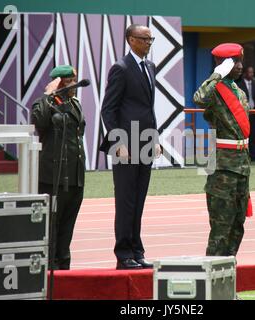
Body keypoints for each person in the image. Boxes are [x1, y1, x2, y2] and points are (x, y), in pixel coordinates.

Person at [99, 24, 161, 270]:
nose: (148, 43)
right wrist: (118, 142)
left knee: (139, 199)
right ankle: (123, 253)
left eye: (150, 39)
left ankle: (137, 250)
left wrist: (154, 139)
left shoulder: (150, 67)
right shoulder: (121, 68)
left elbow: (148, 108)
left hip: (144, 141)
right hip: (125, 145)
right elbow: (108, 109)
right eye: (144, 39)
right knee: (125, 200)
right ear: (130, 40)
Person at [193, 43, 252, 257]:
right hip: (223, 169)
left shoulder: (239, 92)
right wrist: (216, 75)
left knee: (237, 226)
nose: (240, 66)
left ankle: (227, 283)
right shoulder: (215, 90)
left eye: (239, 61)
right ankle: (211, 284)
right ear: (223, 64)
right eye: (234, 61)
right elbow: (199, 99)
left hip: (242, 167)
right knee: (221, 229)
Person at [31, 65, 86, 270]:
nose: (75, 85)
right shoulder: (43, 104)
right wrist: (49, 94)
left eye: (75, 79)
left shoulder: (75, 103)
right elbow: (41, 123)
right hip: (53, 177)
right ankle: (50, 266)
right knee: (52, 225)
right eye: (71, 80)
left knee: (67, 226)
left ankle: (64, 266)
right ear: (59, 82)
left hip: (75, 175)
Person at [236, 66, 255, 161]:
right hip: (243, 114)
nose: (251, 74)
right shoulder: (238, 85)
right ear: (245, 73)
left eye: (252, 72)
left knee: (254, 135)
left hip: (254, 113)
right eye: (249, 72)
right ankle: (244, 156)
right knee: (244, 135)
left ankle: (253, 155)